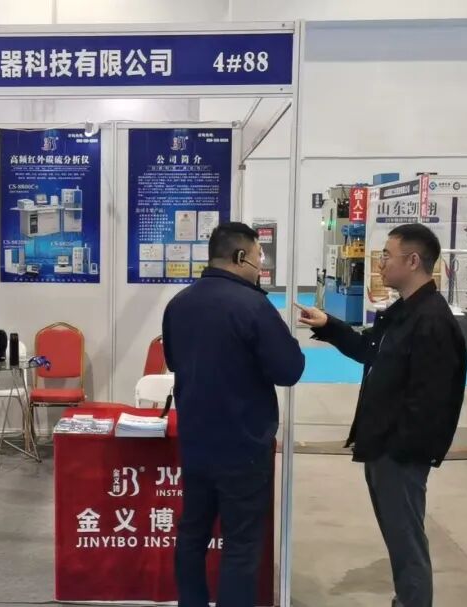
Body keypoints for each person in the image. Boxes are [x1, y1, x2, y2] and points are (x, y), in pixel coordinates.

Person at [297, 223, 467, 607]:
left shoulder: (432, 321)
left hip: (400, 454)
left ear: (413, 260)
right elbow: (370, 351)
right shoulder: (403, 312)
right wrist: (330, 327)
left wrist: (399, 450)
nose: (380, 263)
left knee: (407, 543)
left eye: (387, 255)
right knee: (398, 538)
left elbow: (432, 402)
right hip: (383, 447)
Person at [162, 222, 305, 607]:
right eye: (259, 257)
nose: (261, 266)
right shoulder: (254, 307)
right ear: (241, 256)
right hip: (244, 446)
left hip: (195, 442)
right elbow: (289, 370)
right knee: (240, 544)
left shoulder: (179, 304)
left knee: (192, 534)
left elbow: (173, 361)